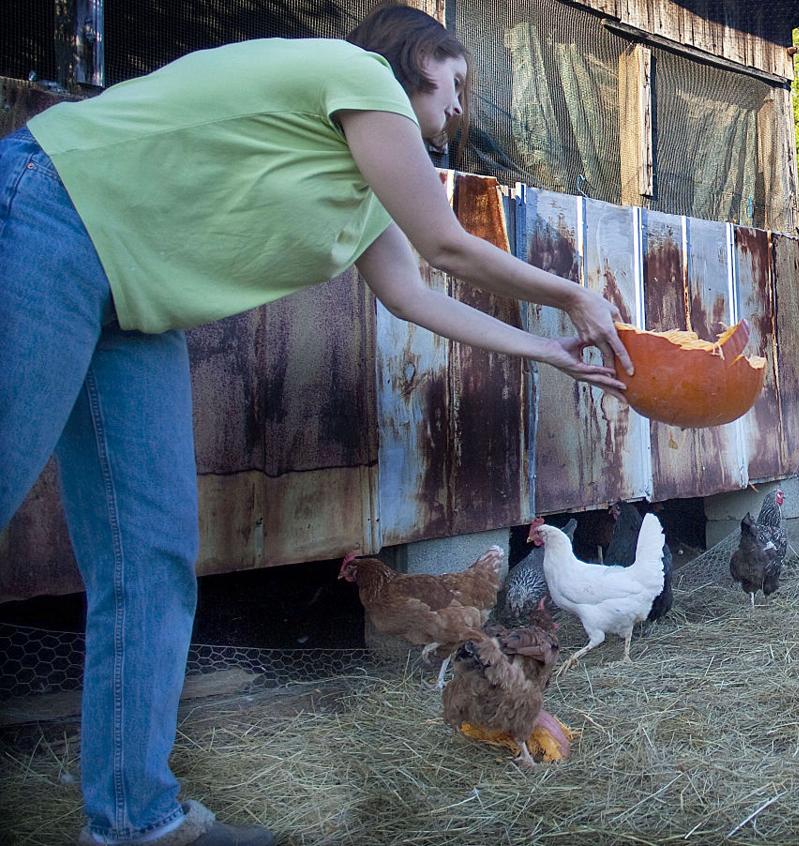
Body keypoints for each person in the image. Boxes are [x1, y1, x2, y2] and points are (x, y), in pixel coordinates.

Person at [0, 4, 632, 845]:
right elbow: (444, 244)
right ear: (413, 62)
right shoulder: (358, 76)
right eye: (453, 82)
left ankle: (132, 821)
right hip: (50, 215)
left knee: (149, 555)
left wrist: (551, 352)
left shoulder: (363, 197)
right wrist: (572, 294)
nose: (457, 107)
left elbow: (415, 294)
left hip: (136, 309)